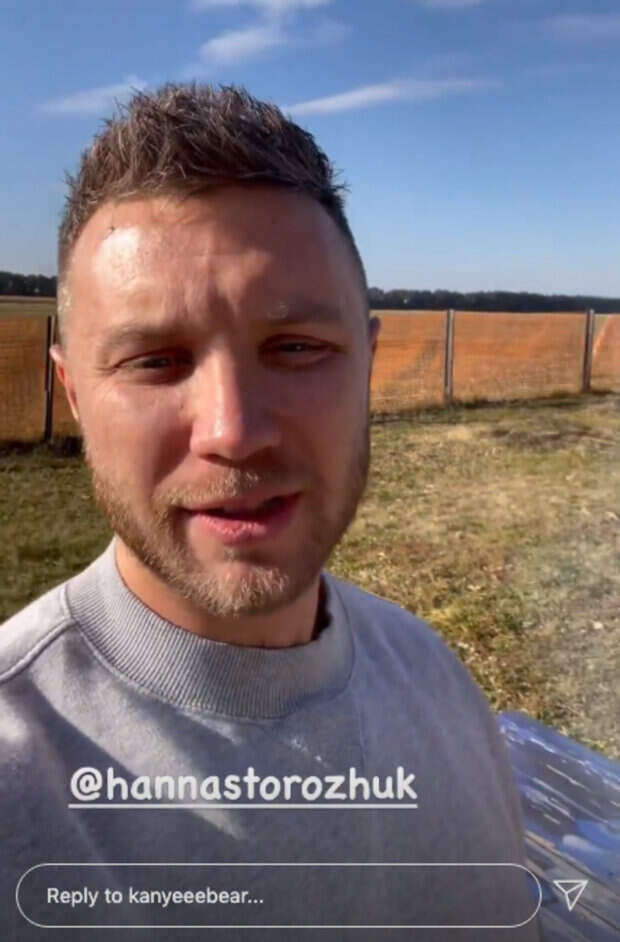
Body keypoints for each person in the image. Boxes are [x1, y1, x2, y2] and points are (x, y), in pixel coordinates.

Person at [0, 84, 541, 941]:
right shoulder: (19, 776)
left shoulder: (436, 680)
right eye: (155, 360)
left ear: (366, 365)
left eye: (296, 348)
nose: (234, 432)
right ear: (72, 393)